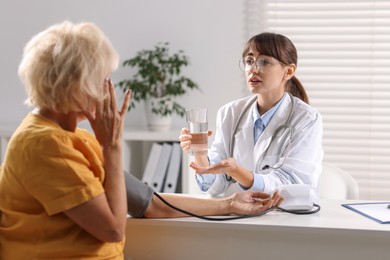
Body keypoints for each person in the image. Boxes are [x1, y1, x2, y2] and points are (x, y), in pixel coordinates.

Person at [0, 22, 283, 259]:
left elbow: (148, 203)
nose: (107, 89)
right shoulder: (44, 144)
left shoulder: (77, 139)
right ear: (75, 84)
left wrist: (230, 204)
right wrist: (111, 147)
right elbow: (112, 229)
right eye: (102, 79)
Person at [179, 32, 323, 197]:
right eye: (249, 61)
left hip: (284, 214)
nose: (253, 69)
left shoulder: (307, 119)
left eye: (264, 62)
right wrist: (200, 153)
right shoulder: (230, 113)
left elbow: (292, 183)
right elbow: (216, 187)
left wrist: (238, 173)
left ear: (288, 71)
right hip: (238, 214)